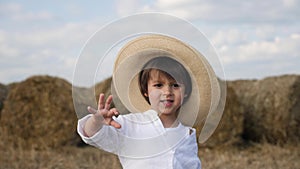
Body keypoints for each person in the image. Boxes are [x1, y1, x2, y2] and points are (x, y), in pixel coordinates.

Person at [77, 34, 221, 169]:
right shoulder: (130, 125)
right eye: (158, 85)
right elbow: (92, 136)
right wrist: (95, 122)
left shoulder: (187, 134)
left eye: (175, 85)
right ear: (145, 91)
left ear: (186, 92)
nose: (167, 92)